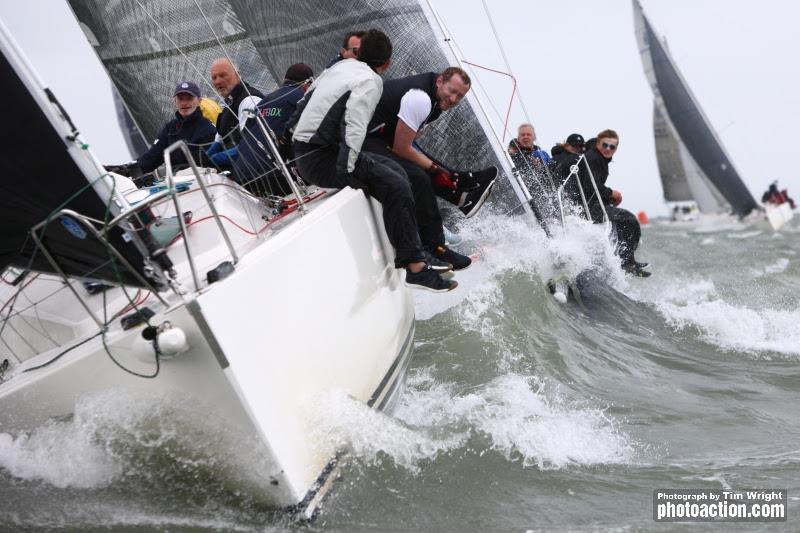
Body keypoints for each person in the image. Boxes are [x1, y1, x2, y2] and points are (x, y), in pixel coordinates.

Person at [289, 29, 456, 292]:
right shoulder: (370, 81)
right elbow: (354, 123)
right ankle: (415, 268)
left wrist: (291, 137)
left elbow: (303, 102)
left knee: (397, 171)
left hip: (306, 152)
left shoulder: (340, 67)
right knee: (397, 184)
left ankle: (419, 251)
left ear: (359, 52)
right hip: (323, 159)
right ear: (387, 63)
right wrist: (347, 169)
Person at [362, 67, 496, 270]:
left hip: (376, 137)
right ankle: (435, 247)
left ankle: (462, 196)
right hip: (357, 139)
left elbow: (408, 141)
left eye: (459, 96)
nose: (453, 99)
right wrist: (436, 169)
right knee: (419, 177)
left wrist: (437, 168)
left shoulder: (434, 101)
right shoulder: (421, 98)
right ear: (440, 81)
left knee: (424, 162)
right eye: (452, 91)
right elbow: (401, 148)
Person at [106, 81, 216, 182]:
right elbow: (152, 158)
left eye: (189, 98)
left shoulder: (208, 129)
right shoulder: (170, 128)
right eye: (180, 99)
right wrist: (125, 169)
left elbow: (206, 163)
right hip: (175, 184)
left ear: (199, 101)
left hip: (202, 182)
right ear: (175, 101)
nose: (184, 103)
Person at [233, 63, 314, 195]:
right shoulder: (301, 98)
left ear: (284, 80)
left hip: (242, 174)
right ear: (308, 83)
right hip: (273, 174)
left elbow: (246, 135)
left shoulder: (263, 102)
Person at [579, 130, 650, 277]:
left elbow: (593, 189)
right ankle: (626, 262)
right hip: (587, 209)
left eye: (612, 147)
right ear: (598, 144)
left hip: (592, 205)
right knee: (629, 219)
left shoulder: (599, 159)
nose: (608, 149)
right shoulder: (593, 159)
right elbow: (590, 186)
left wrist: (609, 198)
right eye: (605, 145)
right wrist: (611, 193)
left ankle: (624, 260)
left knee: (624, 222)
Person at [206, 58, 265, 169]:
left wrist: (221, 157)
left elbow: (255, 140)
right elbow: (222, 132)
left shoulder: (249, 100)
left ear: (237, 75)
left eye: (223, 75)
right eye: (214, 77)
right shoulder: (230, 102)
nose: (218, 81)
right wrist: (214, 147)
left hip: (256, 173)